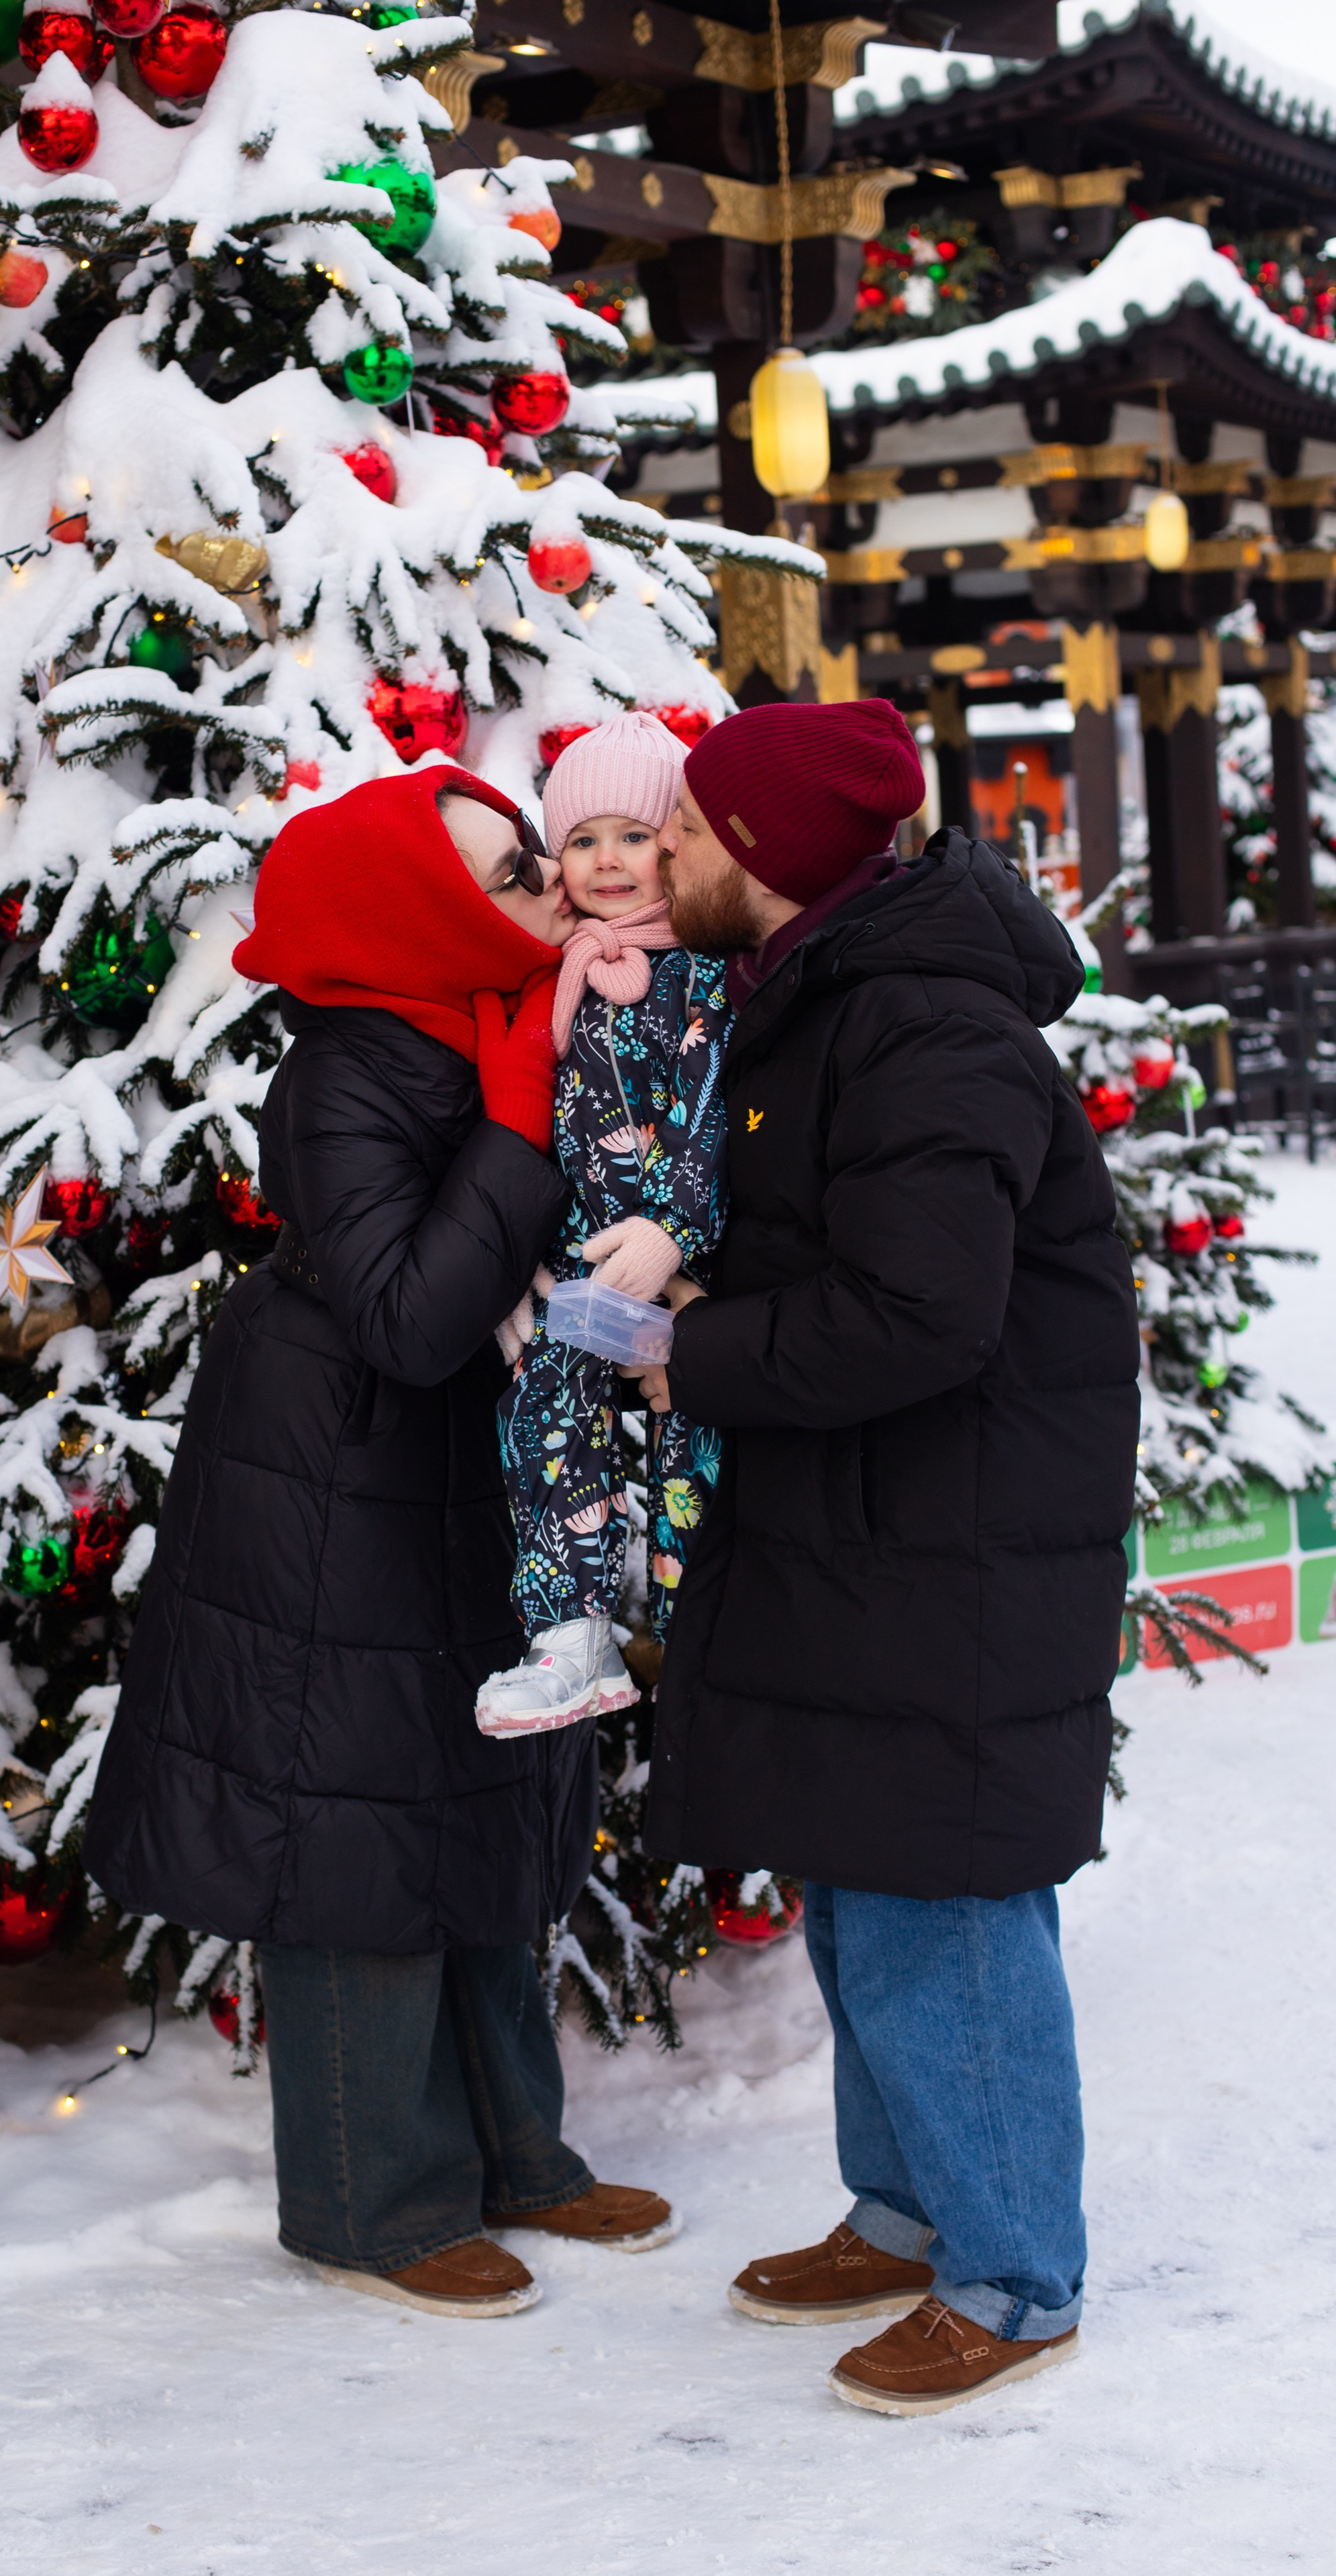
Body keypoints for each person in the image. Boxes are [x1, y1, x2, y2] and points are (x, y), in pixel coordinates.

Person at [83, 765, 674, 2322]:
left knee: (486, 1804)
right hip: (339, 1485)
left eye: (537, 854)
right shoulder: (352, 1070)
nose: (551, 879)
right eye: (505, 869)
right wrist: (510, 1129)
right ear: (411, 911)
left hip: (460, 1481)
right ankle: (370, 2198)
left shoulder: (498, 1024)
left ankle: (515, 2156)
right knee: (357, 1829)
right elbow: (409, 1318)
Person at [628, 699, 1139, 2416]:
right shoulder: (827, 1000)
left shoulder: (918, 1023)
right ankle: (906, 2210)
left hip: (956, 1543)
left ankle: (1009, 2277)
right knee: (862, 1877)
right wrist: (714, 1311)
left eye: (689, 831)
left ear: (763, 860)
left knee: (945, 1900)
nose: (662, 858)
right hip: (872, 1526)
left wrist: (688, 1353)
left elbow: (924, 1311)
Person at [478, 711, 730, 1733]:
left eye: (634, 835)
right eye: (582, 841)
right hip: (583, 1269)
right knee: (544, 1416)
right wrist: (515, 1264)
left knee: (691, 1439)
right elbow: (531, 1119)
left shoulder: (705, 968)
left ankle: (694, 1632)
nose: (609, 861)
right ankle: (572, 1631)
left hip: (685, 1262)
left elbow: (712, 1110)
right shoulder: (562, 973)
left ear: (674, 842)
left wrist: (676, 1230)